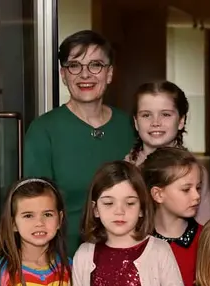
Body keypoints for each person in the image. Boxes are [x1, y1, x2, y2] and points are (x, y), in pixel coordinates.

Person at [24, 30, 137, 254]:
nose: (85, 75)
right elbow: (34, 204)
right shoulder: (43, 129)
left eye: (96, 65)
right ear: (63, 75)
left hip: (127, 253)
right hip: (63, 258)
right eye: (75, 66)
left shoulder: (129, 126)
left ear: (110, 73)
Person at [126, 80, 210, 226]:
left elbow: (207, 230)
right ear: (136, 122)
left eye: (165, 114)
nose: (156, 122)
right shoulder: (125, 170)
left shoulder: (195, 172)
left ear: (181, 120)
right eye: (146, 115)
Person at [142, 146, 205, 286]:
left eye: (198, 187)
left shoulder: (208, 239)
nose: (196, 196)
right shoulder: (138, 242)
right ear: (158, 194)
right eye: (186, 189)